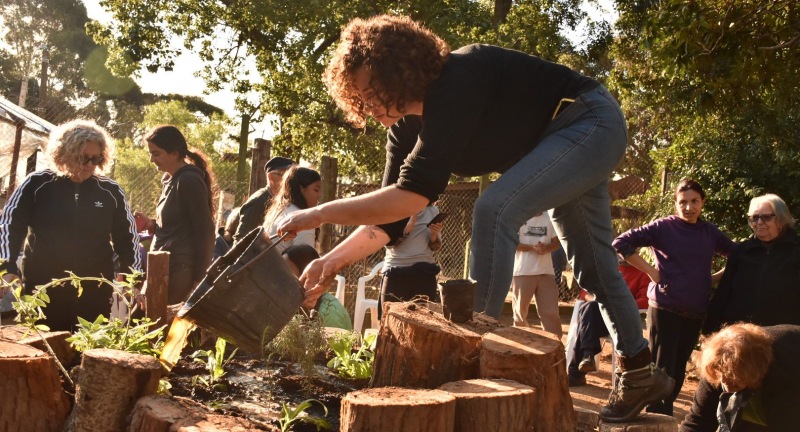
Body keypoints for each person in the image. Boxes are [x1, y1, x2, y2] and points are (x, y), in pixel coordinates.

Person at [277, 14, 672, 422]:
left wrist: (319, 213)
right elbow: (394, 218)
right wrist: (330, 261)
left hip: (588, 121)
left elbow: (413, 194)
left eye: (373, 90)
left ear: (399, 70)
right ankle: (640, 369)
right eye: (360, 98)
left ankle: (471, 353)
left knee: (495, 209)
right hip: (556, 146)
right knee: (592, 267)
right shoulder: (404, 130)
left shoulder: (459, 77)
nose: (368, 105)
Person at [0, 119, 141, 331]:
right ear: (64, 155)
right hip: (43, 285)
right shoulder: (37, 184)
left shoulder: (110, 191)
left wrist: (131, 279)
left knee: (88, 347)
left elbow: (127, 238)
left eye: (96, 159)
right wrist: (7, 268)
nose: (90, 165)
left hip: (95, 285)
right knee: (43, 345)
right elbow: (10, 226)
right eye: (83, 158)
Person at [613, 179, 736, 416]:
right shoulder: (662, 227)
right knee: (663, 368)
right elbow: (621, 243)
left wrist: (714, 277)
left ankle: (664, 416)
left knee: (679, 368)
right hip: (665, 307)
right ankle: (657, 416)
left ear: (703, 202)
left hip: (696, 309)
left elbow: (736, 254)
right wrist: (651, 272)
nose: (688, 207)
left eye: (694, 202)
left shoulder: (709, 232)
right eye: (683, 202)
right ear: (675, 203)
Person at [134, 125, 215, 305]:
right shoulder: (170, 180)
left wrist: (198, 279)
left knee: (155, 327)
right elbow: (179, 225)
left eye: (156, 153)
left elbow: (205, 230)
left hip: (178, 272)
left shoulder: (188, 180)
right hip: (161, 267)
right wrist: (152, 224)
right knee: (142, 322)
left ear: (174, 153)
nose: (151, 159)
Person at [703, 194, 800, 334]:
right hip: (742, 337)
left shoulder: (796, 251)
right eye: (754, 217)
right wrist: (709, 333)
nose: (759, 222)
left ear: (781, 219)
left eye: (766, 217)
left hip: (786, 339)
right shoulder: (741, 252)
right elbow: (723, 294)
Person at [679, 323, 800, 432]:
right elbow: (698, 421)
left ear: (754, 372)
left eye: (732, 379)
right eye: (721, 375)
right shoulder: (716, 363)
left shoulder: (786, 376)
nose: (724, 383)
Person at [567, 261, 649, 387]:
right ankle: (587, 356)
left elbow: (644, 301)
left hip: (622, 321)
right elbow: (584, 293)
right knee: (590, 308)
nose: (621, 254)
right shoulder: (607, 268)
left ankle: (579, 369)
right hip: (599, 320)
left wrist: (617, 306)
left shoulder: (642, 274)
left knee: (585, 324)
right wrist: (598, 301)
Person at [511, 212, 562, 338]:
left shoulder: (549, 218)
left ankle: (555, 345)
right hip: (523, 271)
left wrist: (546, 248)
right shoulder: (519, 217)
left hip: (546, 272)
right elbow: (513, 244)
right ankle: (522, 343)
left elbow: (556, 243)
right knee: (520, 312)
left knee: (550, 311)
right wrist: (533, 248)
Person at [281, 245, 352, 330]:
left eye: (287, 271)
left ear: (307, 273)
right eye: (281, 269)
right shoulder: (290, 302)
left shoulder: (329, 312)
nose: (280, 276)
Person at [233, 156, 294, 244]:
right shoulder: (258, 201)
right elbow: (241, 239)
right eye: (285, 176)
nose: (289, 180)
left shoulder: (282, 200)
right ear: (270, 177)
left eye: (290, 177)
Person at [264, 166, 322, 253]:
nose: (319, 195)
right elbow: (304, 261)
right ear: (301, 189)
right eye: (316, 190)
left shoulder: (279, 210)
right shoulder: (303, 220)